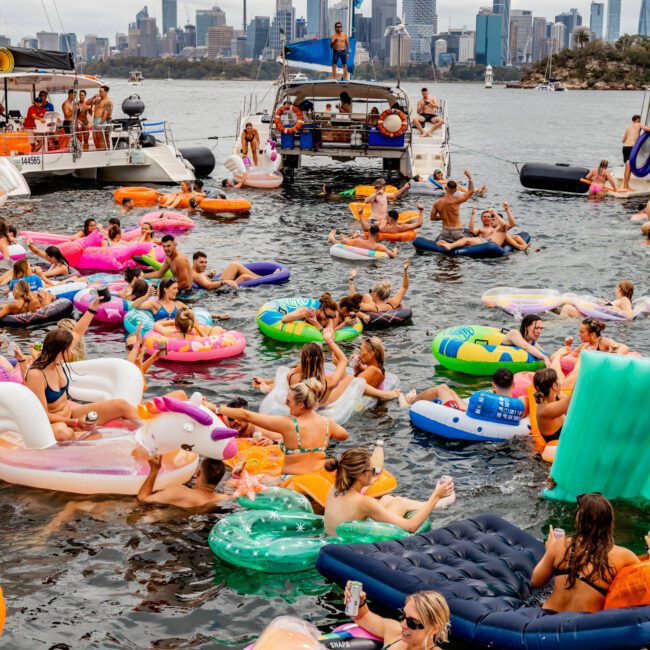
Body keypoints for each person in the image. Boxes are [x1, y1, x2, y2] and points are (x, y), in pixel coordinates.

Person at [531, 493, 649, 612]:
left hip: (547, 619)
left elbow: (535, 581)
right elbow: (643, 578)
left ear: (579, 520)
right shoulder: (623, 556)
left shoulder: (561, 544)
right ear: (610, 523)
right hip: (585, 626)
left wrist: (550, 550)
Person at [25, 327, 139, 441]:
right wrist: (74, 423)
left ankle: (150, 431)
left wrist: (93, 309)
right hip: (54, 424)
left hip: (70, 414)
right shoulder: (36, 375)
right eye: (69, 349)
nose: (72, 352)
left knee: (121, 405)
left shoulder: (58, 362)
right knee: (63, 433)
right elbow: (41, 415)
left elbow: (78, 331)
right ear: (60, 350)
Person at [216, 379, 349, 476]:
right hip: (319, 472)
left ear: (301, 404)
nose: (286, 404)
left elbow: (247, 416)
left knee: (241, 479)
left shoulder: (289, 424)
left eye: (288, 402)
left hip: (292, 478)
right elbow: (343, 435)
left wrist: (215, 408)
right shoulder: (327, 422)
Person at [325, 448, 455, 536]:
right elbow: (410, 527)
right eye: (371, 470)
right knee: (399, 502)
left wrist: (371, 480)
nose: (374, 472)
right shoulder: (363, 503)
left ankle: (437, 503)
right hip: (355, 546)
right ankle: (438, 503)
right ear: (359, 475)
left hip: (336, 539)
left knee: (386, 498)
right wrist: (435, 495)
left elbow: (352, 498)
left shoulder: (335, 488)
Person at [253, 324, 348, 407]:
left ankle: (264, 384)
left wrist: (307, 359)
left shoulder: (291, 377)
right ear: (321, 360)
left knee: (280, 382)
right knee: (349, 379)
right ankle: (265, 384)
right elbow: (343, 359)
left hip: (299, 410)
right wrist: (329, 340)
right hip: (320, 410)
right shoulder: (330, 382)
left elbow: (300, 369)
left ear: (302, 360)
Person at [399, 368, 527, 415]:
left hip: (459, 414)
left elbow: (468, 412)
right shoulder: (520, 403)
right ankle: (412, 401)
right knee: (446, 388)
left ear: (493, 385)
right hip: (480, 414)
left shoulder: (486, 398)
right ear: (513, 385)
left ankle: (410, 403)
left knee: (441, 388)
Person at [137, 455, 228, 509]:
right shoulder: (223, 498)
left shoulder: (179, 492)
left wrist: (154, 470)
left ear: (198, 473)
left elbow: (142, 499)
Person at [430, 170, 475, 243]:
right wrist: (470, 178)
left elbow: (432, 218)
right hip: (457, 232)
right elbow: (471, 191)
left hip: (444, 232)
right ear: (455, 190)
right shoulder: (457, 200)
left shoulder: (437, 202)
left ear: (445, 188)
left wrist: (443, 216)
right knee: (471, 242)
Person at [559, 279, 635, 320]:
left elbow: (629, 316)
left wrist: (611, 306)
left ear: (620, 289)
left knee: (567, 308)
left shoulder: (625, 299)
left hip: (596, 317)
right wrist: (606, 303)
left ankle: (559, 302)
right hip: (594, 315)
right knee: (567, 307)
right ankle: (558, 317)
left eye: (617, 287)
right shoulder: (621, 300)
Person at [191, 251, 268, 290]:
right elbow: (209, 286)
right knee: (245, 277)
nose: (204, 265)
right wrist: (224, 282)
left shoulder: (196, 272)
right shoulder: (197, 275)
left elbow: (203, 280)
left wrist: (207, 275)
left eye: (205, 262)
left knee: (234, 264)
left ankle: (261, 277)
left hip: (217, 281)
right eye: (201, 262)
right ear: (194, 262)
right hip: (221, 288)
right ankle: (266, 279)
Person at [563, 318, 629, 356]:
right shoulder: (585, 345)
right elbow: (570, 356)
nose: (579, 334)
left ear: (593, 335)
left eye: (582, 332)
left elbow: (624, 347)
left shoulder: (603, 342)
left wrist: (610, 356)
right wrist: (568, 345)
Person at [153, 306, 226, 339]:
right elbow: (208, 341)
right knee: (218, 328)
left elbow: (156, 324)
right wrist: (197, 327)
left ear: (176, 325)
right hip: (208, 331)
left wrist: (173, 321)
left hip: (193, 326)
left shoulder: (170, 334)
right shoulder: (194, 338)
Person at [328, 225, 399, 258]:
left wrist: (346, 238)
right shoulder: (380, 247)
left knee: (342, 241)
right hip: (367, 262)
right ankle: (332, 236)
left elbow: (343, 242)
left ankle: (332, 236)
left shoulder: (359, 241)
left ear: (369, 232)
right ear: (378, 234)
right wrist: (395, 250)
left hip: (355, 255)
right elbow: (393, 255)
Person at [622, 115, 650, 191]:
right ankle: (626, 187)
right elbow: (649, 129)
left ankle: (625, 186)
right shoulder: (639, 124)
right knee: (629, 168)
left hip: (625, 148)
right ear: (637, 119)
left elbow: (623, 140)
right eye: (640, 119)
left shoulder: (628, 128)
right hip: (632, 149)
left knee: (627, 168)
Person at [358, 205, 424, 235]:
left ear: (391, 219)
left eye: (387, 217)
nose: (386, 217)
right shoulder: (401, 227)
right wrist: (421, 210)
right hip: (396, 232)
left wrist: (360, 214)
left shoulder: (383, 228)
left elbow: (366, 229)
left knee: (377, 222)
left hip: (379, 227)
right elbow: (419, 224)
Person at [87, 85, 113, 150]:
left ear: (106, 92)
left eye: (101, 91)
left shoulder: (108, 101)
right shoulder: (98, 100)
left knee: (101, 138)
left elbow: (106, 113)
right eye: (99, 91)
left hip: (101, 121)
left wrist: (101, 123)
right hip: (95, 120)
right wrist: (93, 97)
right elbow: (87, 103)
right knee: (95, 139)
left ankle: (103, 152)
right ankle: (98, 152)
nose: (99, 93)